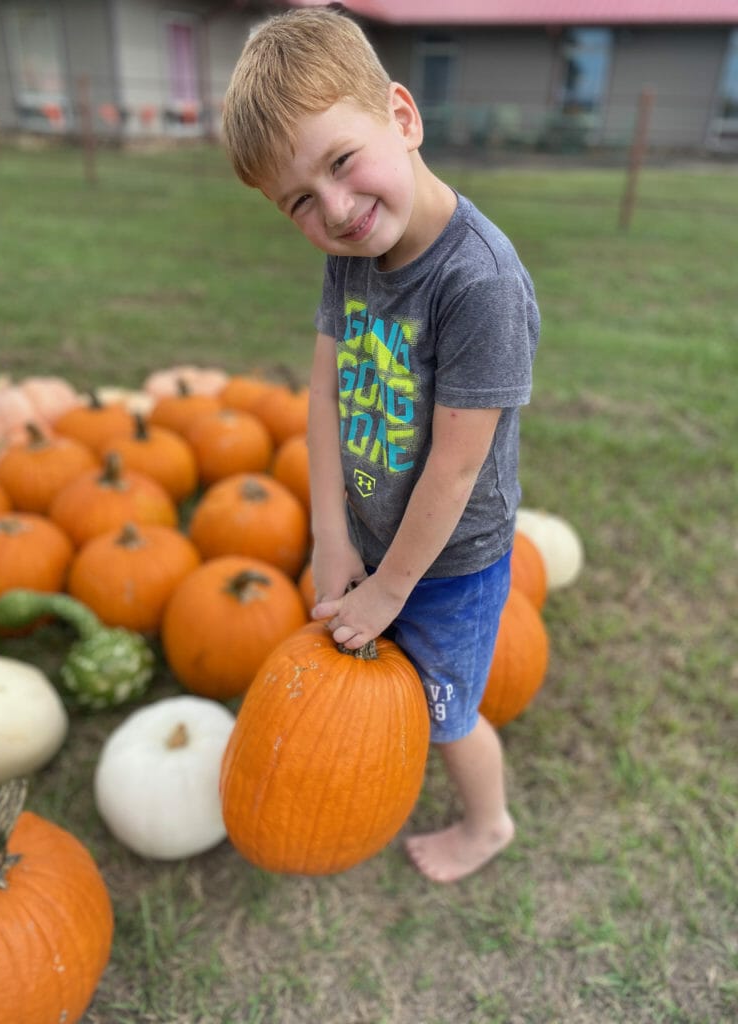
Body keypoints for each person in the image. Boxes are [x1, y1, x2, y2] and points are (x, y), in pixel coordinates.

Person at [221, 6, 540, 883]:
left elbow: (457, 459)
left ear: (401, 116)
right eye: (299, 202)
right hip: (372, 534)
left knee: (448, 712)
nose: (335, 209)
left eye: (341, 162)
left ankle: (488, 824)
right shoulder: (353, 254)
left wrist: (392, 587)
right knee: (380, 685)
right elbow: (323, 390)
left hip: (451, 561)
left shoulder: (480, 284)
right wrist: (331, 534)